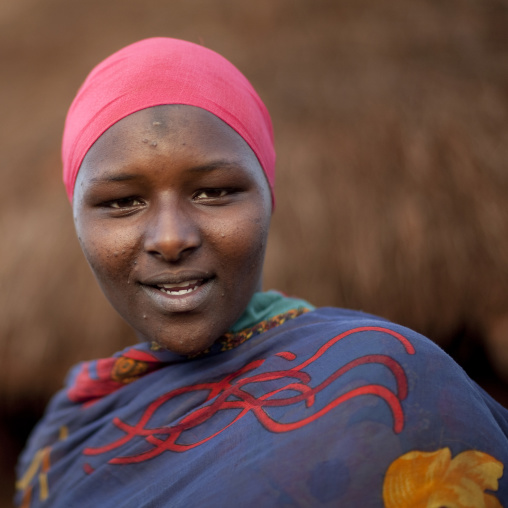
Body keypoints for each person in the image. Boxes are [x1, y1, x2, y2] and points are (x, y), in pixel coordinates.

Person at [15, 37, 508, 508]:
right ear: (77, 222)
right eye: (122, 202)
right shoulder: (67, 439)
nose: (170, 237)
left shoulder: (392, 383)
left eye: (214, 191)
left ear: (269, 199)